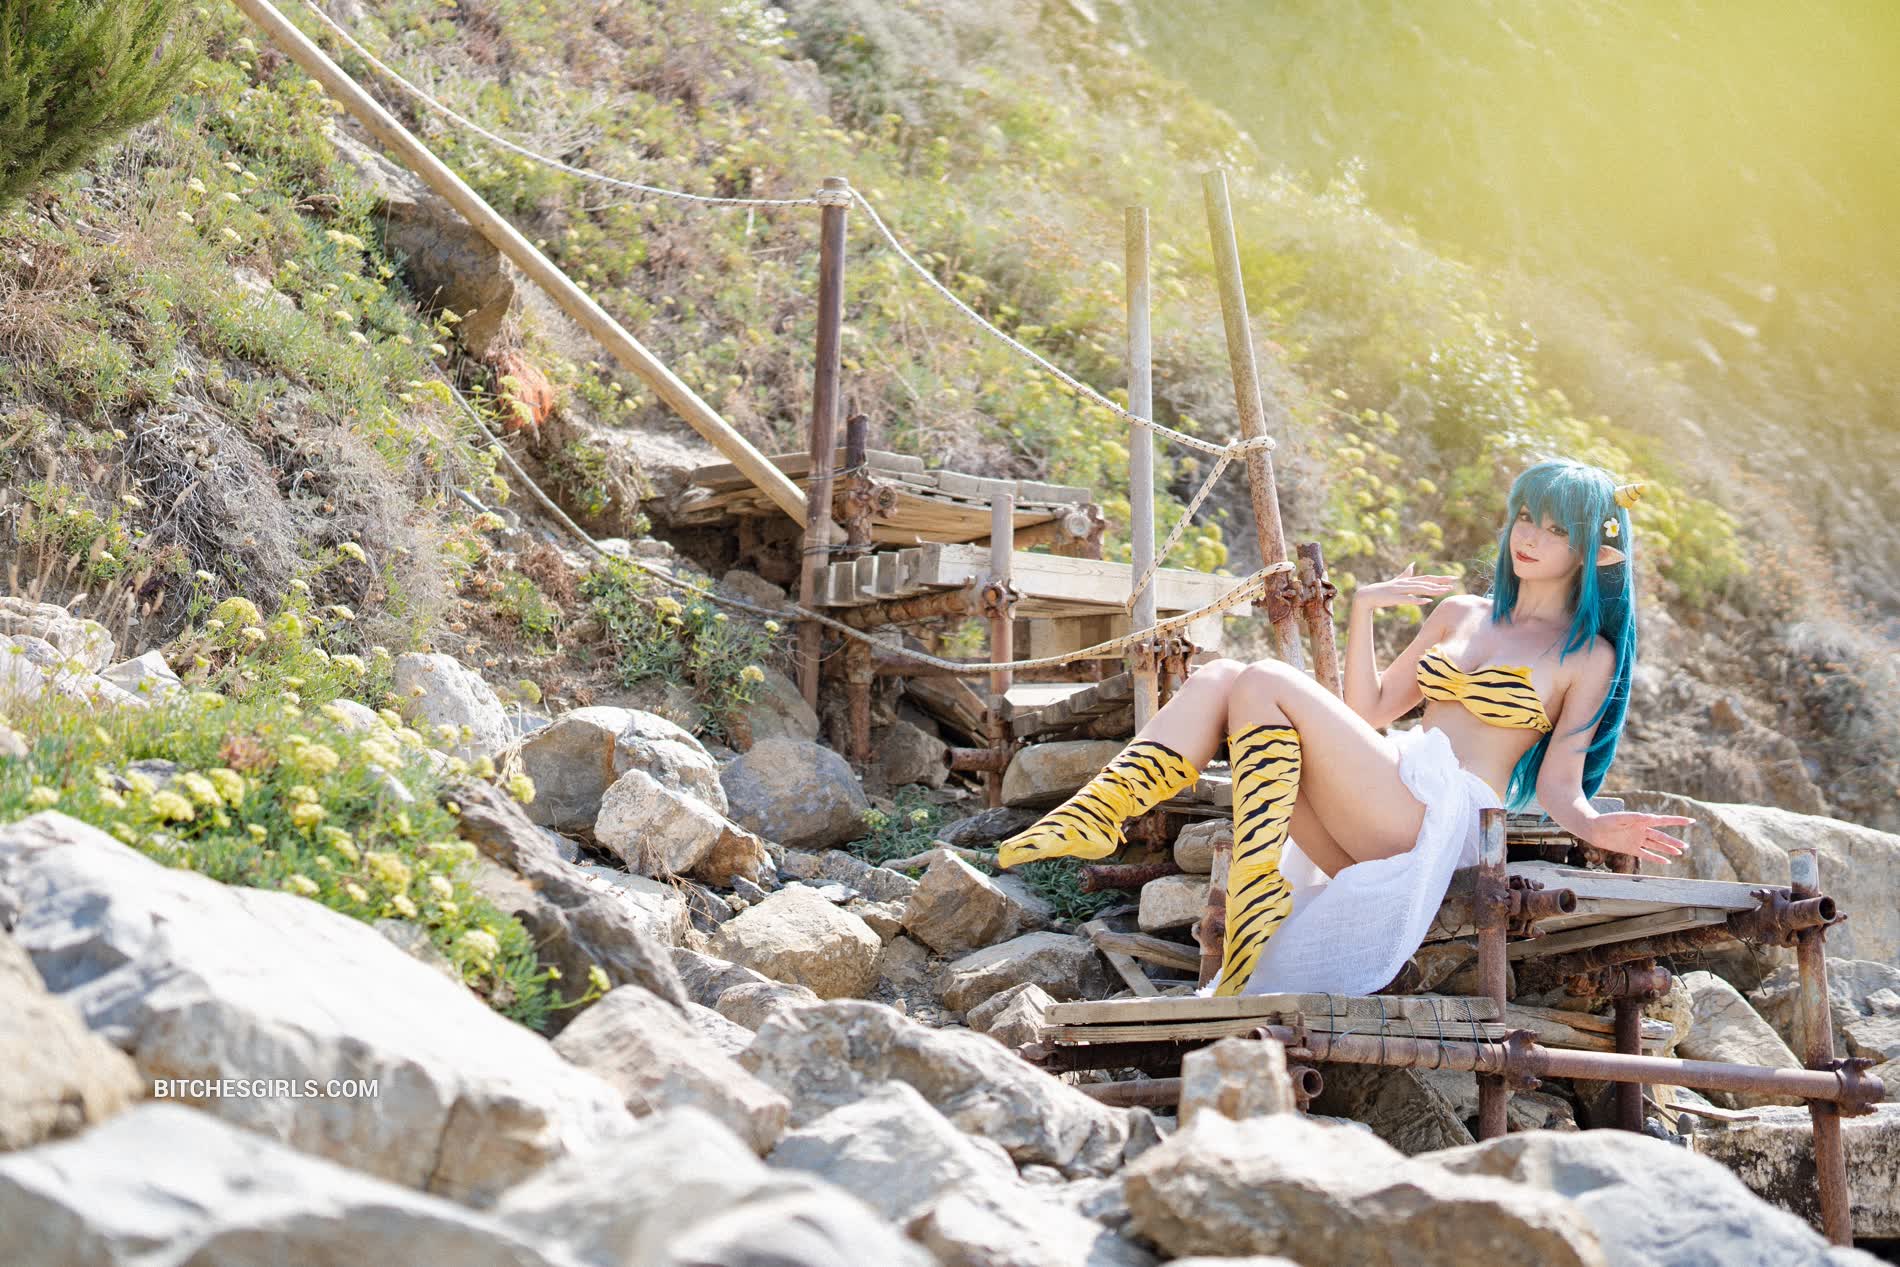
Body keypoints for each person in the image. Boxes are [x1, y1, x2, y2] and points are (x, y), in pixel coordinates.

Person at [996, 458, 1695, 997]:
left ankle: (1255, 891)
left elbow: (1560, 784)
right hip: (1389, 791)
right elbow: (1372, 713)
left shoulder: (1587, 655)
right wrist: (1362, 608)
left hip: (1443, 820)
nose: (1531, 537)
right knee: (1222, 678)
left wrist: (1598, 827)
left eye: (1556, 529)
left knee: (1260, 680)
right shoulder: (1460, 613)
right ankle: (1100, 811)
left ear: (1595, 551)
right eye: (1526, 518)